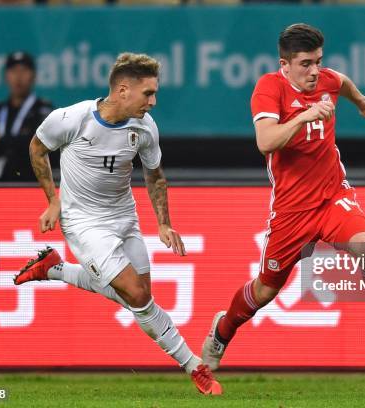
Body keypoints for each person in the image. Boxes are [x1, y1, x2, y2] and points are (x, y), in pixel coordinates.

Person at [202, 23, 365, 377]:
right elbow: (266, 141)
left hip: (333, 196)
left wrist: (361, 103)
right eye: (305, 64)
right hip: (292, 210)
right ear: (285, 64)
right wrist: (304, 116)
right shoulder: (269, 89)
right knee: (265, 291)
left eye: (318, 61)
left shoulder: (326, 80)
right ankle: (222, 332)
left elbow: (340, 80)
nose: (315, 71)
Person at [13, 52, 222, 395]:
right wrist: (53, 200)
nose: (153, 102)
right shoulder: (72, 119)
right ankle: (194, 366)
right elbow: (37, 148)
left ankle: (55, 269)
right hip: (83, 222)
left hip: (125, 217)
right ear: (123, 90)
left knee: (140, 297)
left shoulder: (144, 128)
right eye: (148, 93)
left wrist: (164, 224)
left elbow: (155, 177)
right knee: (138, 296)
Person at [0, 51, 53, 181]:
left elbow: (40, 148)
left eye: (24, 71)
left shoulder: (43, 110)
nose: (19, 77)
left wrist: (1, 141)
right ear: (6, 76)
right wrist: (18, 141)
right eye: (13, 71)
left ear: (33, 76)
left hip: (29, 183)